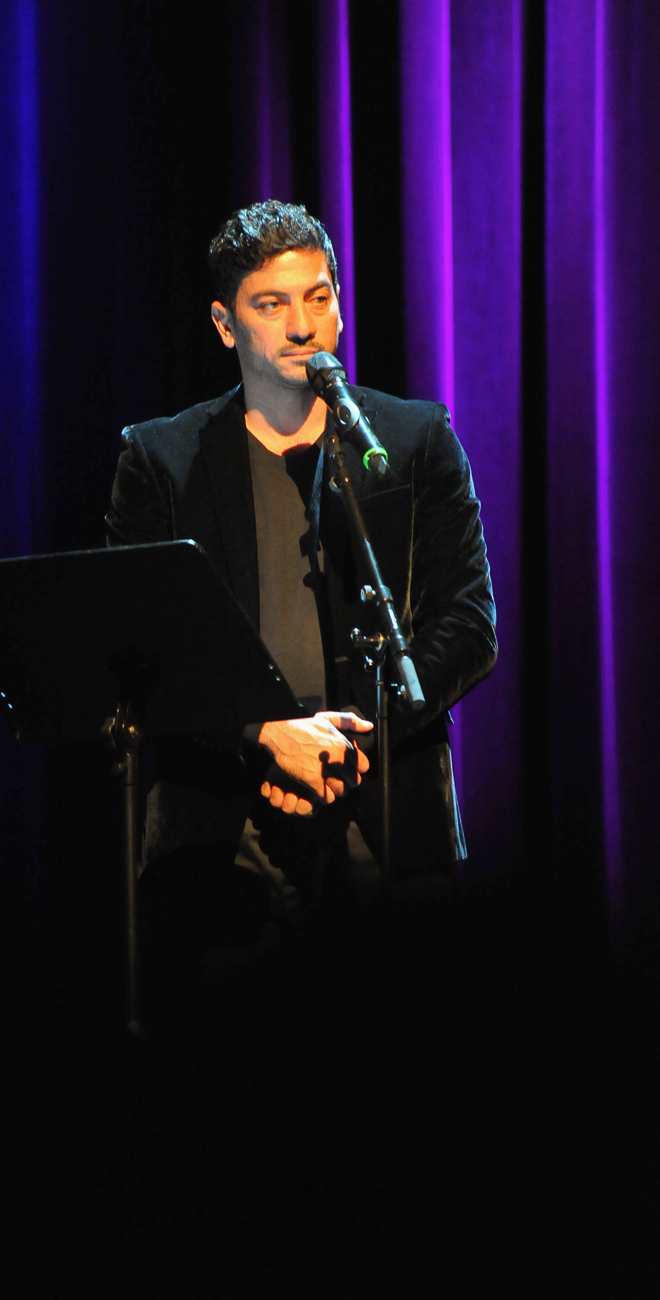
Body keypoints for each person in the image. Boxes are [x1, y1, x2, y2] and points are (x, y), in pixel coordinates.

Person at [105, 201, 496, 1027]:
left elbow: (467, 624)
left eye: (317, 297)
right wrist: (265, 734)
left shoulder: (412, 440)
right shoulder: (162, 459)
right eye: (271, 304)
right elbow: (141, 649)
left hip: (385, 816)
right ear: (225, 324)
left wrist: (348, 741)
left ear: (340, 306)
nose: (301, 325)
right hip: (223, 836)